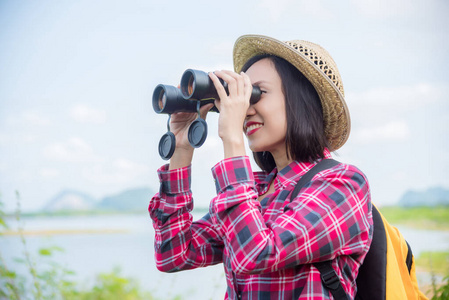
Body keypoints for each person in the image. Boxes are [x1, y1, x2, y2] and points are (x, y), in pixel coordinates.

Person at [149, 34, 373, 299]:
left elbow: (257, 253)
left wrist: (231, 137)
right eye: (243, 98)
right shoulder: (254, 190)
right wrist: (182, 148)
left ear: (301, 99)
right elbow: (174, 254)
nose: (245, 110)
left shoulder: (343, 184)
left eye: (257, 94)